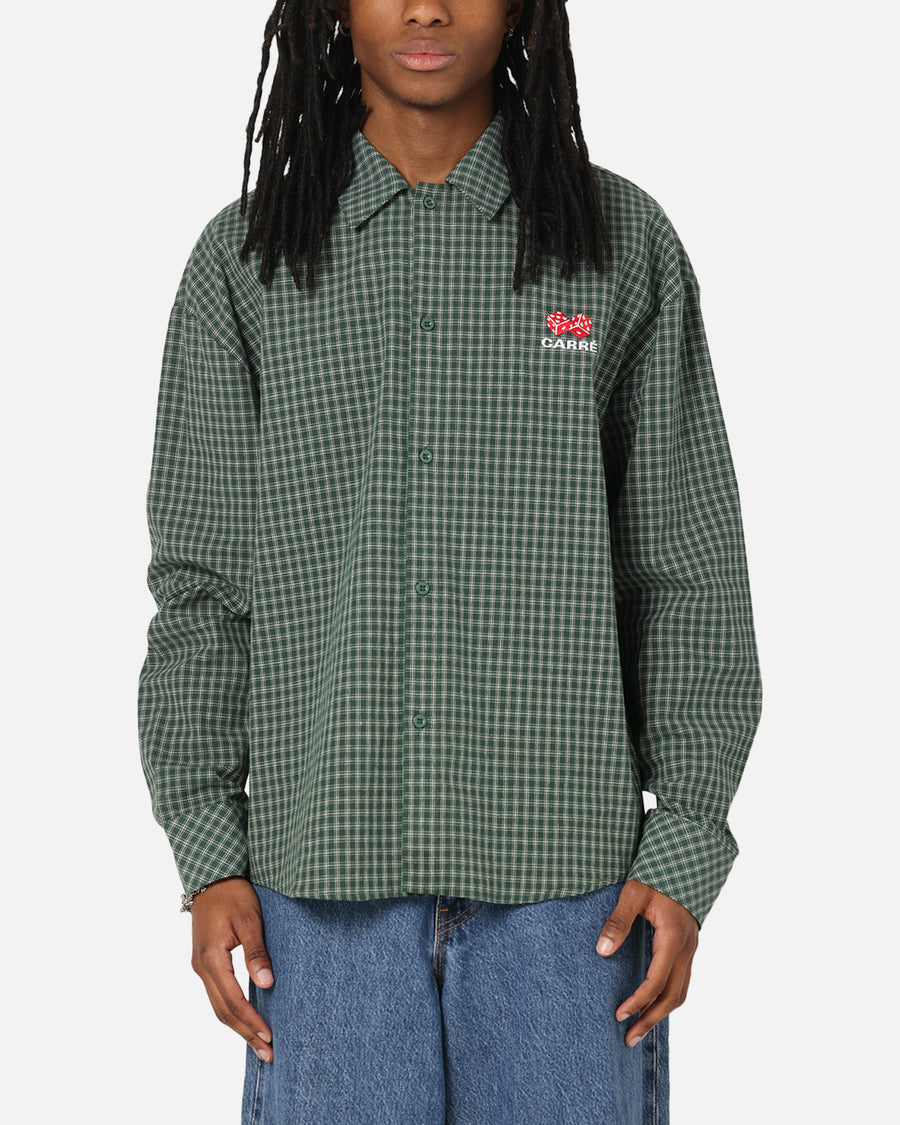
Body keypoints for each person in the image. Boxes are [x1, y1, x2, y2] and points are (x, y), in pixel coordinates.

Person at [137, 1, 762, 1122]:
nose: (426, 6)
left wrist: (685, 840)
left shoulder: (619, 244)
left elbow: (687, 569)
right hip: (316, 902)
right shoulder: (246, 262)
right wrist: (208, 851)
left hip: (574, 905)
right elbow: (202, 588)